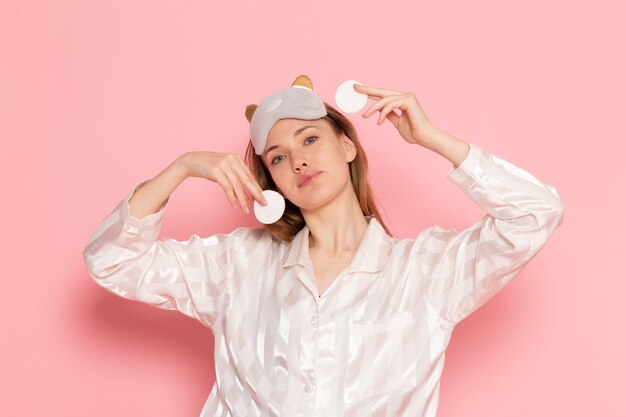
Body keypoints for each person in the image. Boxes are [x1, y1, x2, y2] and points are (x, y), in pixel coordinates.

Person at [83, 74, 565, 417]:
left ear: (348, 146)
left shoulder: (426, 271)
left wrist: (433, 139)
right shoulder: (237, 265)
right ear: (271, 180)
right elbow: (110, 260)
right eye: (278, 156)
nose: (298, 160)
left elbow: (535, 213)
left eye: (310, 138)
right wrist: (181, 168)